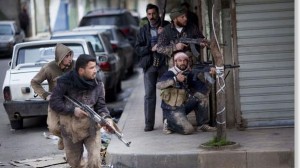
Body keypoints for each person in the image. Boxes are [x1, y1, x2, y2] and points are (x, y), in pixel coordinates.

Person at [49, 54, 114, 168]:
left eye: (95, 67)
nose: (95, 70)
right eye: (91, 68)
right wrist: (73, 110)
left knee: (95, 161)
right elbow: (54, 102)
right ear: (81, 70)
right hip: (70, 130)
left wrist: (107, 118)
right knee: (75, 163)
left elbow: (101, 107)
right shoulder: (65, 82)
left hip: (91, 129)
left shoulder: (98, 84)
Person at [156, 51, 216, 135]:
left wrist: (208, 75)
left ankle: (202, 124)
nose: (182, 62)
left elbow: (203, 90)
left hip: (184, 105)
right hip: (172, 109)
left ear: (188, 62)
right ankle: (168, 123)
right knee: (188, 130)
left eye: (185, 60)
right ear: (175, 62)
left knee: (201, 96)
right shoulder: (170, 73)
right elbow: (159, 85)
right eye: (179, 60)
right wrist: (175, 79)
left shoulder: (188, 74)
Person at [31, 43, 74, 150]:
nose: (70, 59)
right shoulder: (49, 68)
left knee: (73, 127)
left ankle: (72, 151)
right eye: (67, 56)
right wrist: (45, 95)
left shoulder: (75, 66)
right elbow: (34, 82)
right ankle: (62, 138)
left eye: (71, 55)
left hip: (71, 102)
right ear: (60, 57)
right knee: (53, 127)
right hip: (55, 101)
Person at [135, 3, 170, 132]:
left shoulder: (166, 26)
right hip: (149, 65)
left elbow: (174, 41)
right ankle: (149, 124)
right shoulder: (143, 30)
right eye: (149, 14)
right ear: (147, 15)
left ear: (158, 14)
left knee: (166, 93)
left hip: (163, 64)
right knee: (149, 95)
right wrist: (150, 48)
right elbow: (137, 49)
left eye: (154, 14)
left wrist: (164, 33)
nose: (151, 16)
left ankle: (167, 122)